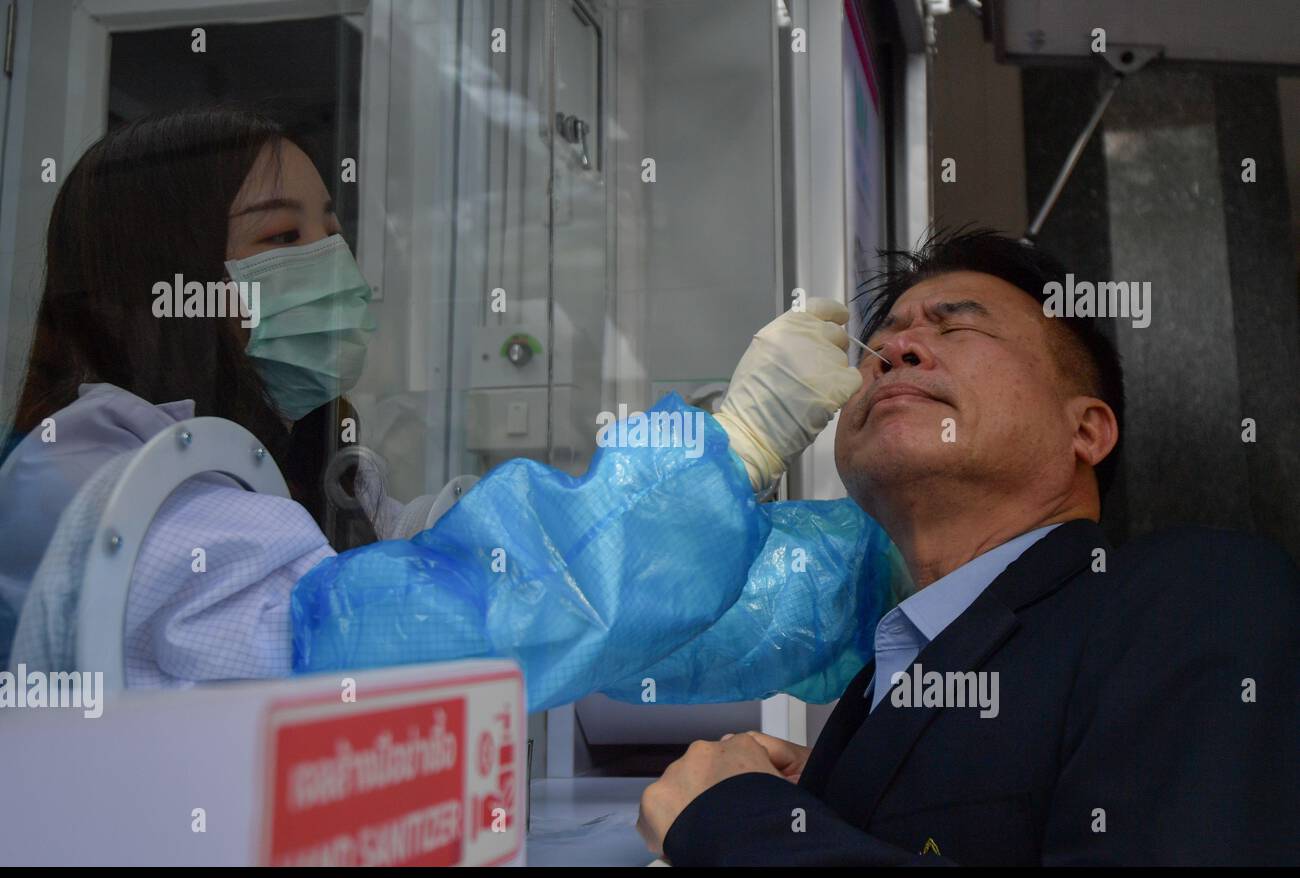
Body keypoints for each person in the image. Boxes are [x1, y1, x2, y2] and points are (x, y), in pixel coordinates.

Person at [2, 106, 898, 700]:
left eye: (330, 228)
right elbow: (401, 632)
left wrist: (880, 580)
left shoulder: (290, 484)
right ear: (164, 281)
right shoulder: (88, 480)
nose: (331, 262)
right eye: (283, 236)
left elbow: (514, 601)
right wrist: (724, 454)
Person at [637, 228, 1300, 865]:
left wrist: (741, 823)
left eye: (956, 326)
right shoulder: (882, 684)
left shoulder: (1195, 594)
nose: (897, 351)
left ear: (1088, 431)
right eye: (880, 344)